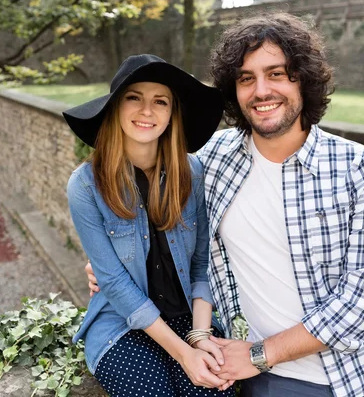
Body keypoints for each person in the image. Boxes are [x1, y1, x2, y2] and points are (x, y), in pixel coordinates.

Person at [86, 13, 364, 397]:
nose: (261, 91)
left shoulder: (357, 169)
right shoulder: (213, 159)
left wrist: (257, 355)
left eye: (278, 74)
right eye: (246, 78)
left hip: (355, 375)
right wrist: (110, 260)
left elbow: (360, 305)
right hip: (263, 380)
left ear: (304, 78)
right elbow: (157, 215)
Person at [63, 54, 235, 397]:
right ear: (115, 107)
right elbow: (112, 281)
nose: (147, 111)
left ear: (172, 112)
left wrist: (199, 338)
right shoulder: (85, 186)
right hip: (119, 323)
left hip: (189, 315)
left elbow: (202, 264)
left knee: (214, 391)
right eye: (134, 97)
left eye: (160, 101)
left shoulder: (193, 173)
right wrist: (184, 354)